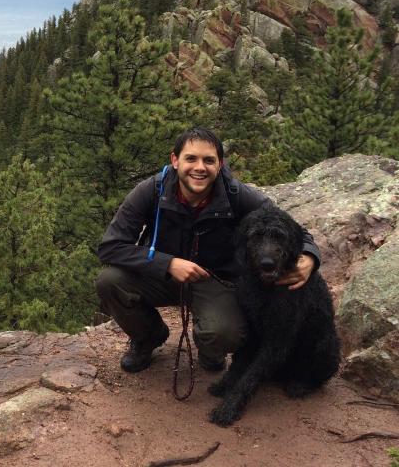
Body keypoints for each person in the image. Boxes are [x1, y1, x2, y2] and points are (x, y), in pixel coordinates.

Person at [96, 126, 320, 373]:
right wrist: (168, 263)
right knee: (110, 281)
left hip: (214, 280)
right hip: (160, 274)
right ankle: (148, 337)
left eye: (209, 160)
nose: (200, 168)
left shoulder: (236, 195)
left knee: (225, 333)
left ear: (220, 164)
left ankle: (211, 348)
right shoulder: (151, 191)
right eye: (191, 158)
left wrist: (309, 256)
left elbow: (294, 229)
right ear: (175, 160)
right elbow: (110, 247)